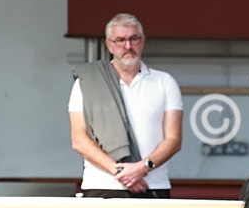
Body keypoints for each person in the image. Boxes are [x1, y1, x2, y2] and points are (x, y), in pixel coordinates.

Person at [68, 13, 183, 198]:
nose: (128, 46)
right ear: (109, 45)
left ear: (143, 41)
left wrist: (143, 167)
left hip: (152, 184)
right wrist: (119, 172)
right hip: (101, 185)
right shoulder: (87, 82)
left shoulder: (164, 82)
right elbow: (79, 139)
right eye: (120, 40)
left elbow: (174, 140)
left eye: (133, 39)